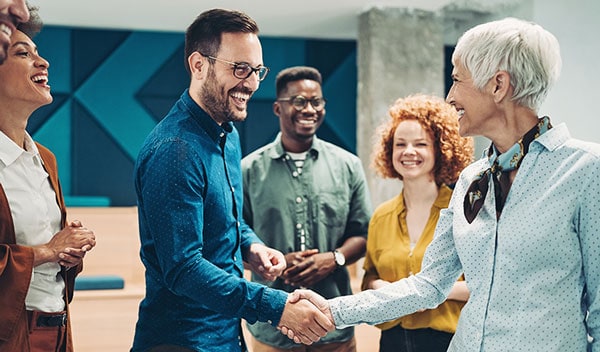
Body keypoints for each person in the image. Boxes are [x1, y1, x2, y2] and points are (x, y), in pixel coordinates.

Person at [285, 17, 600, 351]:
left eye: (456, 79)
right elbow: (429, 284)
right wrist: (332, 309)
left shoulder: (585, 171)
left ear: (498, 85)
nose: (450, 97)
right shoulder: (471, 180)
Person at [131, 9, 333, 352]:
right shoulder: (175, 150)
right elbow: (183, 268)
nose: (252, 83)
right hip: (181, 341)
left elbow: (227, 222)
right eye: (240, 69)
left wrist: (251, 246)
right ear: (198, 65)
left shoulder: (228, 134)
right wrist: (277, 306)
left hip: (226, 334)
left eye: (257, 71)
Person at [241, 66, 372, 352]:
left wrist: (334, 259)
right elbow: (233, 239)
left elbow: (363, 234)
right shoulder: (248, 170)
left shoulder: (348, 166)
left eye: (317, 102)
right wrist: (272, 262)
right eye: (299, 101)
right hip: (271, 329)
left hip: (334, 325)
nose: (309, 109)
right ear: (278, 108)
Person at [0, 8, 96, 352]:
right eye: (23, 54)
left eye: (38, 54)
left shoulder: (46, 159)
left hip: (55, 330)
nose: (43, 63)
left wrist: (68, 252)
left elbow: (51, 264)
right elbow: (40, 253)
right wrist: (45, 251)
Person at [362, 94, 472, 352]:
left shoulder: (464, 211)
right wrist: (389, 291)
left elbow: (485, 282)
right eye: (400, 144)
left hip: (447, 342)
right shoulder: (381, 216)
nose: (408, 152)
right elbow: (369, 278)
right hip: (392, 342)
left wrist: (431, 292)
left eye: (420, 144)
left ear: (441, 149)